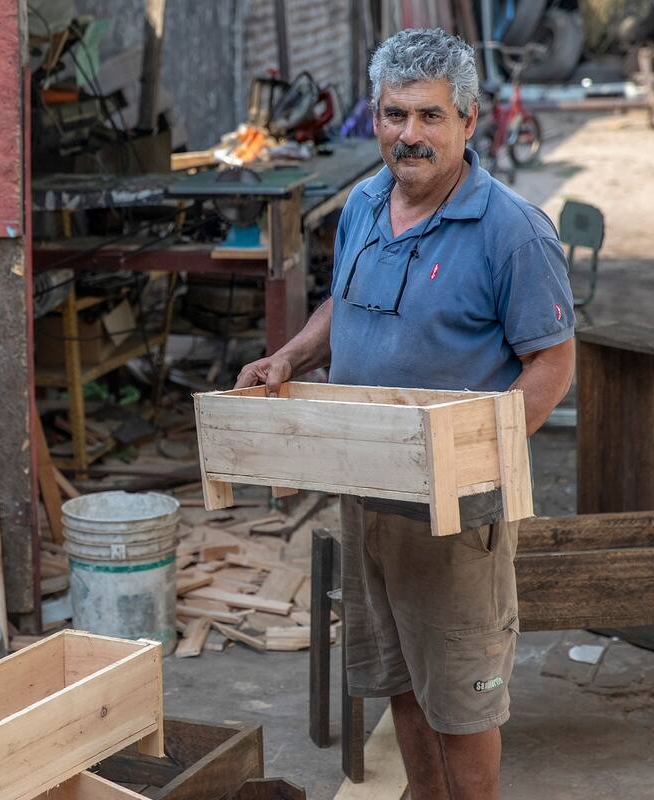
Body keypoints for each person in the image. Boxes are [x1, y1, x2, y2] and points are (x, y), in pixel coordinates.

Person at [234, 28, 576, 800]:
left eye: (428, 117)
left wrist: (473, 454)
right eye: (394, 115)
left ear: (467, 120)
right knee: (397, 677)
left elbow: (552, 364)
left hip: (455, 517)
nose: (408, 136)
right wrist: (289, 357)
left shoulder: (511, 231)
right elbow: (344, 305)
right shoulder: (362, 201)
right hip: (369, 497)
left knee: (460, 697)